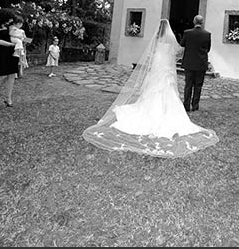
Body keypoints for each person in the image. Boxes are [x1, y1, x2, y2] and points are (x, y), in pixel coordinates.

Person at [82, 19, 219, 158]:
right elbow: (186, 49)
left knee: (174, 85)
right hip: (186, 63)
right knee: (194, 85)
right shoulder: (205, 34)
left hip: (159, 63)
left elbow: (160, 50)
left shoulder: (168, 36)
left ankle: (186, 105)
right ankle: (194, 105)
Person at [0, 8, 20, 110]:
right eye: (9, 19)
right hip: (1, 53)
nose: (10, 21)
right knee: (0, 76)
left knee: (12, 76)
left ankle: (8, 97)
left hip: (12, 53)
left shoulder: (9, 26)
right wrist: (11, 44)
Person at [179, 14, 211, 112]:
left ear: (194, 22)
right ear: (202, 22)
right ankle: (195, 106)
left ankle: (186, 105)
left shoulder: (187, 33)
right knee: (198, 86)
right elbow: (208, 49)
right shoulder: (207, 34)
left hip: (189, 63)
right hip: (201, 63)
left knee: (188, 85)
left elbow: (182, 44)